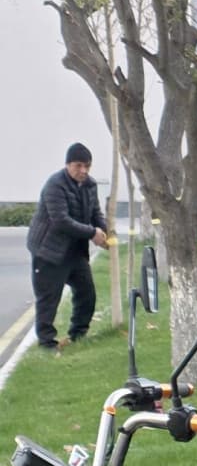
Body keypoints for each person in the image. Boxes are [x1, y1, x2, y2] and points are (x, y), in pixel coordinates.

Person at [25, 143, 110, 351]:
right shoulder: (55, 185)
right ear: (68, 165)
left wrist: (105, 231)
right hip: (49, 251)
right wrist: (92, 233)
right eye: (78, 166)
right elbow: (61, 220)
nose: (83, 171)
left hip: (75, 251)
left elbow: (95, 212)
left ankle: (77, 335)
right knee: (48, 299)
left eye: (87, 166)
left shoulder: (90, 185)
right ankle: (47, 344)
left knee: (86, 293)